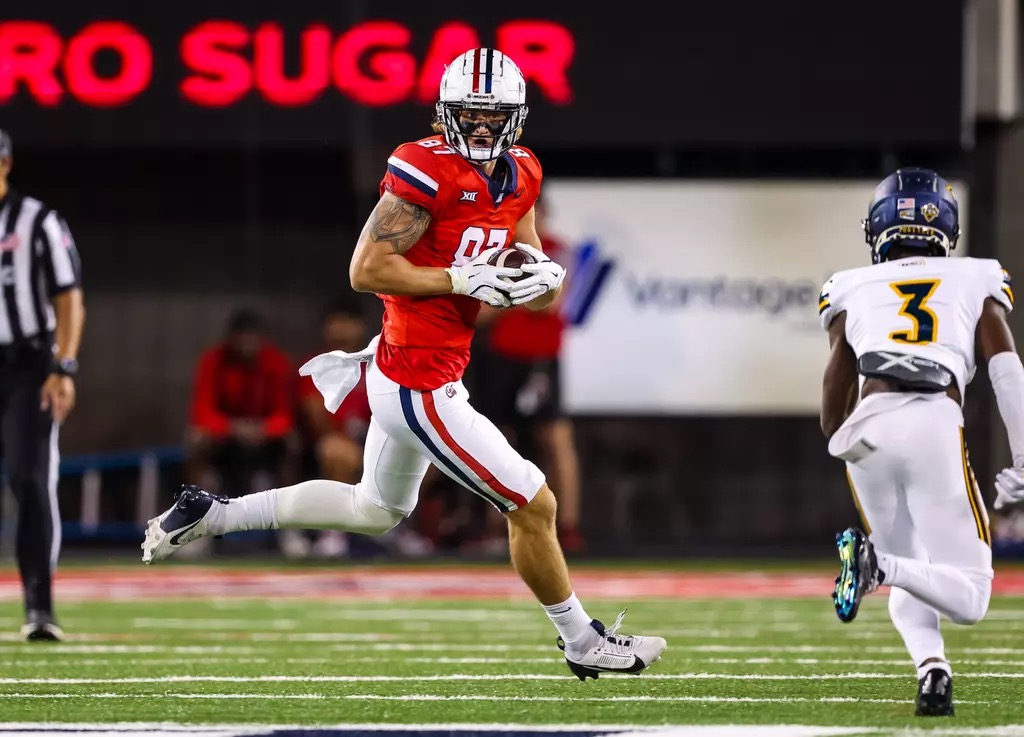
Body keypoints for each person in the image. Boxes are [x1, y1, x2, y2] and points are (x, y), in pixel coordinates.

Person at [142, 48, 667, 679]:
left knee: (374, 512)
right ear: (446, 113)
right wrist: (461, 278)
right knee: (534, 503)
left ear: (516, 120)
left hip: (425, 370)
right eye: (469, 115)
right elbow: (366, 270)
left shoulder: (522, 171)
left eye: (491, 116)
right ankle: (581, 640)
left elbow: (530, 266)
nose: (479, 129)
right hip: (418, 379)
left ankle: (216, 513)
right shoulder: (424, 167)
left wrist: (541, 280)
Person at [821, 167, 1024, 716]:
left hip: (865, 430)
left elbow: (834, 386)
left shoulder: (849, 284)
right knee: (972, 595)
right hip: (931, 417)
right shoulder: (977, 274)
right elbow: (1006, 369)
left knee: (912, 565)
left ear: (880, 226)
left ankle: (933, 674)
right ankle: (875, 568)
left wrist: (843, 439)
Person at [0, 128, 85, 641]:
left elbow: (68, 296)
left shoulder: (36, 221)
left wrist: (64, 365)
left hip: (26, 364)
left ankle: (39, 606)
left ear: (5, 163)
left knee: (29, 479)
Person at [474, 194, 584, 552]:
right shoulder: (500, 251)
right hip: (502, 357)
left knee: (555, 438)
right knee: (494, 440)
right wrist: (521, 291)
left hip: (541, 358)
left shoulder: (557, 249)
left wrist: (514, 294)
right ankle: (495, 526)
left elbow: (553, 302)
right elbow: (484, 313)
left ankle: (568, 526)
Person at [284, 296, 372, 559]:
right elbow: (314, 413)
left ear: (361, 327)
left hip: (373, 440)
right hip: (326, 442)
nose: (342, 329)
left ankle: (403, 529)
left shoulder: (376, 361)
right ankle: (332, 531)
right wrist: (346, 439)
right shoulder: (317, 363)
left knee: (428, 458)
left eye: (349, 322)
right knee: (337, 451)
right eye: (336, 322)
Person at [185, 309, 297, 499]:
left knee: (292, 441)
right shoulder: (213, 360)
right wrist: (233, 428)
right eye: (242, 337)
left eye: (252, 338)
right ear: (231, 339)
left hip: (263, 436)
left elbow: (284, 415)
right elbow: (202, 412)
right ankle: (196, 505)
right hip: (225, 436)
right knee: (196, 438)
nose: (247, 344)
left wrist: (263, 429)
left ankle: (288, 508)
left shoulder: (276, 362)